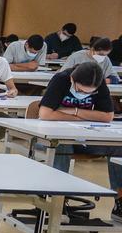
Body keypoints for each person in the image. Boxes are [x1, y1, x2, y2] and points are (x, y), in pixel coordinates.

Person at [38, 61, 122, 222]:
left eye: (88, 92)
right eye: (79, 90)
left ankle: (119, 201)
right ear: (72, 79)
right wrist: (86, 115)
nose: (82, 94)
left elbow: (107, 117)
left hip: (84, 138)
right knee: (61, 145)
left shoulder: (98, 83)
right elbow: (45, 114)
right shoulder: (61, 79)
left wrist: (75, 111)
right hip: (50, 137)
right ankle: (57, 200)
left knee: (118, 147)